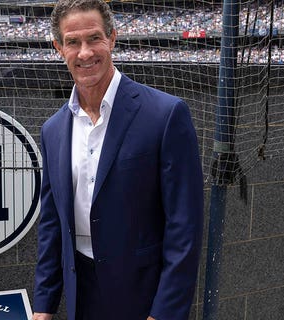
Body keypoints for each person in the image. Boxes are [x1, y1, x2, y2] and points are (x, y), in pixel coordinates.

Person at [32, 0, 204, 319]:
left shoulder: (165, 115)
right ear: (59, 47)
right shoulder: (53, 130)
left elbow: (185, 227)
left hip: (144, 296)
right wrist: (44, 303)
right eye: (73, 42)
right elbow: (52, 223)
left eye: (94, 38)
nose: (85, 53)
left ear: (112, 38)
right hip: (81, 294)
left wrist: (164, 313)